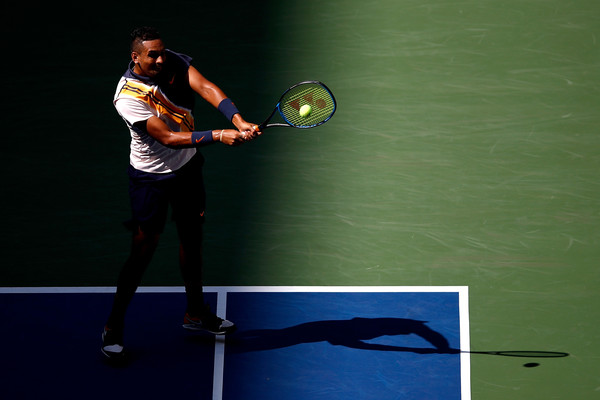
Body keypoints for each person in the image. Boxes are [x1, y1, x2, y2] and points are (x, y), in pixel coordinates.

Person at [102, 26, 260, 359]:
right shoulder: (128, 96)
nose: (160, 58)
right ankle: (113, 326)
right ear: (136, 57)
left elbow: (204, 86)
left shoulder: (171, 61)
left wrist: (238, 119)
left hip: (187, 170)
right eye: (152, 55)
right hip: (151, 178)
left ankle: (195, 313)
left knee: (192, 240)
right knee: (142, 251)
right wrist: (219, 134)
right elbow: (168, 138)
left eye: (162, 51)